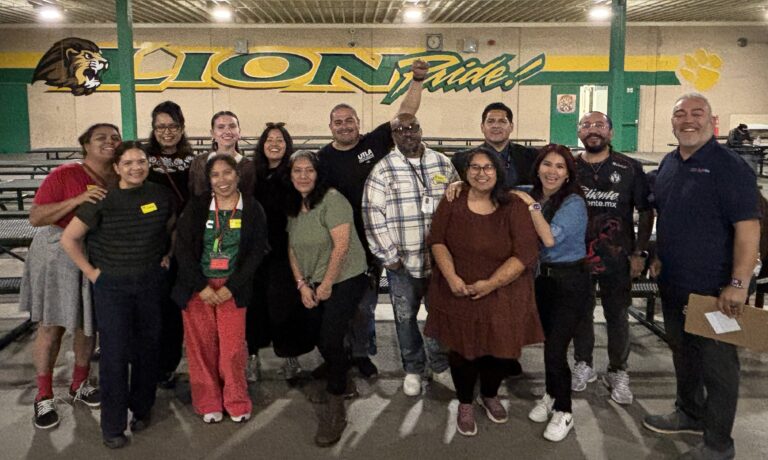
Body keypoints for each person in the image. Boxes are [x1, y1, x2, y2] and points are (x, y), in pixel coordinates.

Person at [643, 93, 760, 460]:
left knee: (718, 367)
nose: (688, 120)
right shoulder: (669, 163)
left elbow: (748, 229)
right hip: (676, 284)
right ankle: (689, 413)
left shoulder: (729, 167)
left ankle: (719, 444)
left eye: (697, 113)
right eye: (680, 114)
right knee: (684, 354)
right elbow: (668, 215)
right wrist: (658, 255)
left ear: (712, 120)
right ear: (672, 122)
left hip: (716, 290)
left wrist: (738, 284)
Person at [317, 59, 429, 378]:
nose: (344, 126)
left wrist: (417, 81)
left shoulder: (374, 142)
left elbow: (405, 114)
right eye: (338, 122)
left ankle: (362, 353)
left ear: (357, 123)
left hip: (374, 240)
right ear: (330, 127)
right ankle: (336, 354)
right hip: (338, 242)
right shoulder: (323, 158)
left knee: (364, 305)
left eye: (349, 120)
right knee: (336, 304)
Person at [60, 141, 176, 449]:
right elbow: (69, 238)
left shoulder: (160, 195)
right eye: (128, 163)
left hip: (150, 284)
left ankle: (142, 409)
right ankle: (112, 425)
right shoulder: (103, 199)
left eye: (141, 162)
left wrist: (168, 254)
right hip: (113, 289)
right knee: (114, 356)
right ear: (117, 168)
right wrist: (92, 273)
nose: (136, 168)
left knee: (148, 350)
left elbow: (172, 228)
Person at [424, 147, 542, 436]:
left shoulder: (513, 205)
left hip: (504, 291)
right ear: (466, 173)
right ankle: (465, 401)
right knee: (462, 351)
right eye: (475, 167)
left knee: (500, 351)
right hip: (459, 289)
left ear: (498, 172)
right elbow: (437, 240)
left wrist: (490, 284)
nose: (481, 173)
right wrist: (451, 277)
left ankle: (489, 394)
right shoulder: (453, 200)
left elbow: (525, 252)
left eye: (488, 167)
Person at [20, 123, 120, 430]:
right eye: (101, 138)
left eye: (115, 138)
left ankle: (79, 384)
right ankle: (44, 393)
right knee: (52, 325)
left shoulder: (118, 176)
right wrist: (75, 201)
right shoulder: (64, 174)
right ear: (86, 144)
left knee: (87, 324)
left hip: (96, 252)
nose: (109, 142)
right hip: (56, 253)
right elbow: (36, 217)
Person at [362, 114, 456, 396]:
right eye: (399, 129)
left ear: (420, 129)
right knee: (405, 319)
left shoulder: (443, 163)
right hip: (402, 263)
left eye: (412, 127)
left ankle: (440, 366)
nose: (407, 133)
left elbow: (459, 203)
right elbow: (372, 215)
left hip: (440, 262)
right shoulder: (382, 170)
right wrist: (388, 256)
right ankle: (413, 368)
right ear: (393, 135)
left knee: (440, 316)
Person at [172, 154, 268, 425]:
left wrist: (232, 288)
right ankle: (208, 402)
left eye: (227, 173)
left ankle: (236, 400)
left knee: (232, 349)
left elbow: (256, 253)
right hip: (197, 288)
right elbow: (182, 249)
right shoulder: (197, 206)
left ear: (237, 175)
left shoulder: (252, 208)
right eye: (215, 175)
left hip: (232, 289)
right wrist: (201, 287)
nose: (222, 179)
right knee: (201, 348)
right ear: (208, 179)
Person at [449, 101, 538, 378]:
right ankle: (478, 357)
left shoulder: (531, 157)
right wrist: (457, 183)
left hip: (516, 242)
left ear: (511, 126)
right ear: (482, 126)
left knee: (513, 305)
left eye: (502, 121)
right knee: (481, 304)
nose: (496, 125)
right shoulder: (462, 159)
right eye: (491, 121)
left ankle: (507, 356)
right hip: (480, 242)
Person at [570, 111, 653, 404]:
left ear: (611, 132)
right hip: (577, 256)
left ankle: (618, 370)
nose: (592, 130)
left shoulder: (629, 167)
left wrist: (639, 252)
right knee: (581, 313)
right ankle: (583, 364)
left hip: (618, 257)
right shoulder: (570, 166)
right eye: (586, 125)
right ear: (579, 132)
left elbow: (646, 211)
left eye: (599, 125)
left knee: (616, 315)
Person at [286, 150, 368, 447]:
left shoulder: (333, 200)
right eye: (297, 171)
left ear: (318, 174)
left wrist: (327, 284)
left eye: (309, 170)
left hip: (344, 278)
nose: (303, 176)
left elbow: (341, 246)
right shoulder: (294, 205)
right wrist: (301, 284)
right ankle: (343, 375)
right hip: (312, 280)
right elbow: (292, 248)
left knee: (330, 338)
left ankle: (336, 407)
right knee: (320, 337)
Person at [513, 144, 589, 442]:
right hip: (543, 281)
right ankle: (551, 394)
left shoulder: (573, 202)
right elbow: (495, 188)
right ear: (538, 167)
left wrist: (531, 206)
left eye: (560, 166)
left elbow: (548, 239)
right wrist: (458, 185)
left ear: (568, 173)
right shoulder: (533, 192)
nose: (552, 171)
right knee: (548, 344)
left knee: (556, 349)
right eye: (547, 164)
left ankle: (564, 410)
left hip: (570, 282)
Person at [251, 122, 314, 383]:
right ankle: (252, 357)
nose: (274, 144)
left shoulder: (293, 175)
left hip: (285, 252)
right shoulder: (252, 174)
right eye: (269, 139)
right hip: (255, 252)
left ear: (287, 145)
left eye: (280, 140)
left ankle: (290, 357)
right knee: (255, 306)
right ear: (262, 145)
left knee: (285, 306)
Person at [146, 100, 196, 389]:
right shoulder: (143, 158)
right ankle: (151, 363)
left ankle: (168, 364)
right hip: (150, 243)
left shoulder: (194, 161)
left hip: (185, 242)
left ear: (182, 127)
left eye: (173, 126)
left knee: (175, 306)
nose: (167, 132)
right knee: (152, 306)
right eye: (161, 126)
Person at [188, 110, 256, 197]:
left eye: (232, 126)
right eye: (221, 127)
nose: (227, 131)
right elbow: (191, 194)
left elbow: (249, 198)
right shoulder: (199, 162)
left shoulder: (249, 167)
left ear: (239, 132)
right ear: (212, 133)